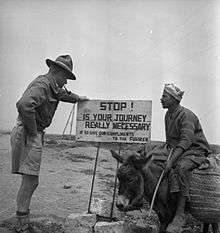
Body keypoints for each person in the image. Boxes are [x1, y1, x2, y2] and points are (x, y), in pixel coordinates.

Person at [10, 55, 89, 233]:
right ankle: (21, 225)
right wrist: (32, 132)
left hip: (30, 133)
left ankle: (22, 220)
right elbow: (24, 105)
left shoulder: (53, 86)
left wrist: (79, 98)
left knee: (30, 181)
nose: (65, 82)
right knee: (30, 181)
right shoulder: (43, 85)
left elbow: (63, 94)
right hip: (28, 133)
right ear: (56, 71)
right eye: (65, 77)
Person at [141, 83, 211, 232]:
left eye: (164, 96)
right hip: (178, 150)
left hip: (195, 151)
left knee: (180, 167)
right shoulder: (169, 115)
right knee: (150, 158)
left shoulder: (186, 115)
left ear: (174, 99)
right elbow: (170, 142)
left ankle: (180, 214)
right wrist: (152, 150)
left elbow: (186, 141)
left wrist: (171, 160)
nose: (161, 99)